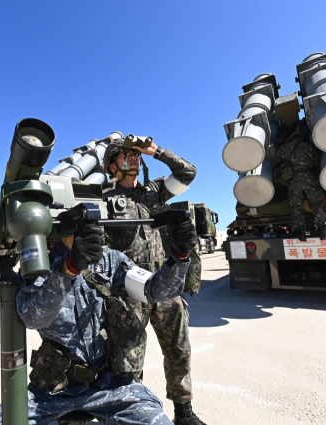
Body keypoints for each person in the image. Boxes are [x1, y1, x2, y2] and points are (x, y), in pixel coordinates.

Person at [0, 217, 197, 425]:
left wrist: (179, 257)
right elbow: (34, 317)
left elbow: (153, 289)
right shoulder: (41, 262)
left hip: (109, 385)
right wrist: (69, 269)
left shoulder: (110, 260)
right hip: (53, 388)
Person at [102, 138, 205, 425]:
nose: (133, 158)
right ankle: (133, 415)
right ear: (112, 166)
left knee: (179, 350)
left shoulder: (156, 191)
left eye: (135, 155)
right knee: (128, 360)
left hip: (165, 281)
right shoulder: (105, 199)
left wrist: (155, 152)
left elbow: (188, 173)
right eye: (125, 155)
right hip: (129, 289)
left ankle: (184, 413)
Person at [274, 126, 326, 241]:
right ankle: (323, 232)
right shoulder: (309, 146)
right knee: (317, 204)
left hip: (293, 181)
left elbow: (277, 168)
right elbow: (317, 164)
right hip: (310, 177)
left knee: (296, 208)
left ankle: (301, 233)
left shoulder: (283, 149)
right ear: (302, 139)